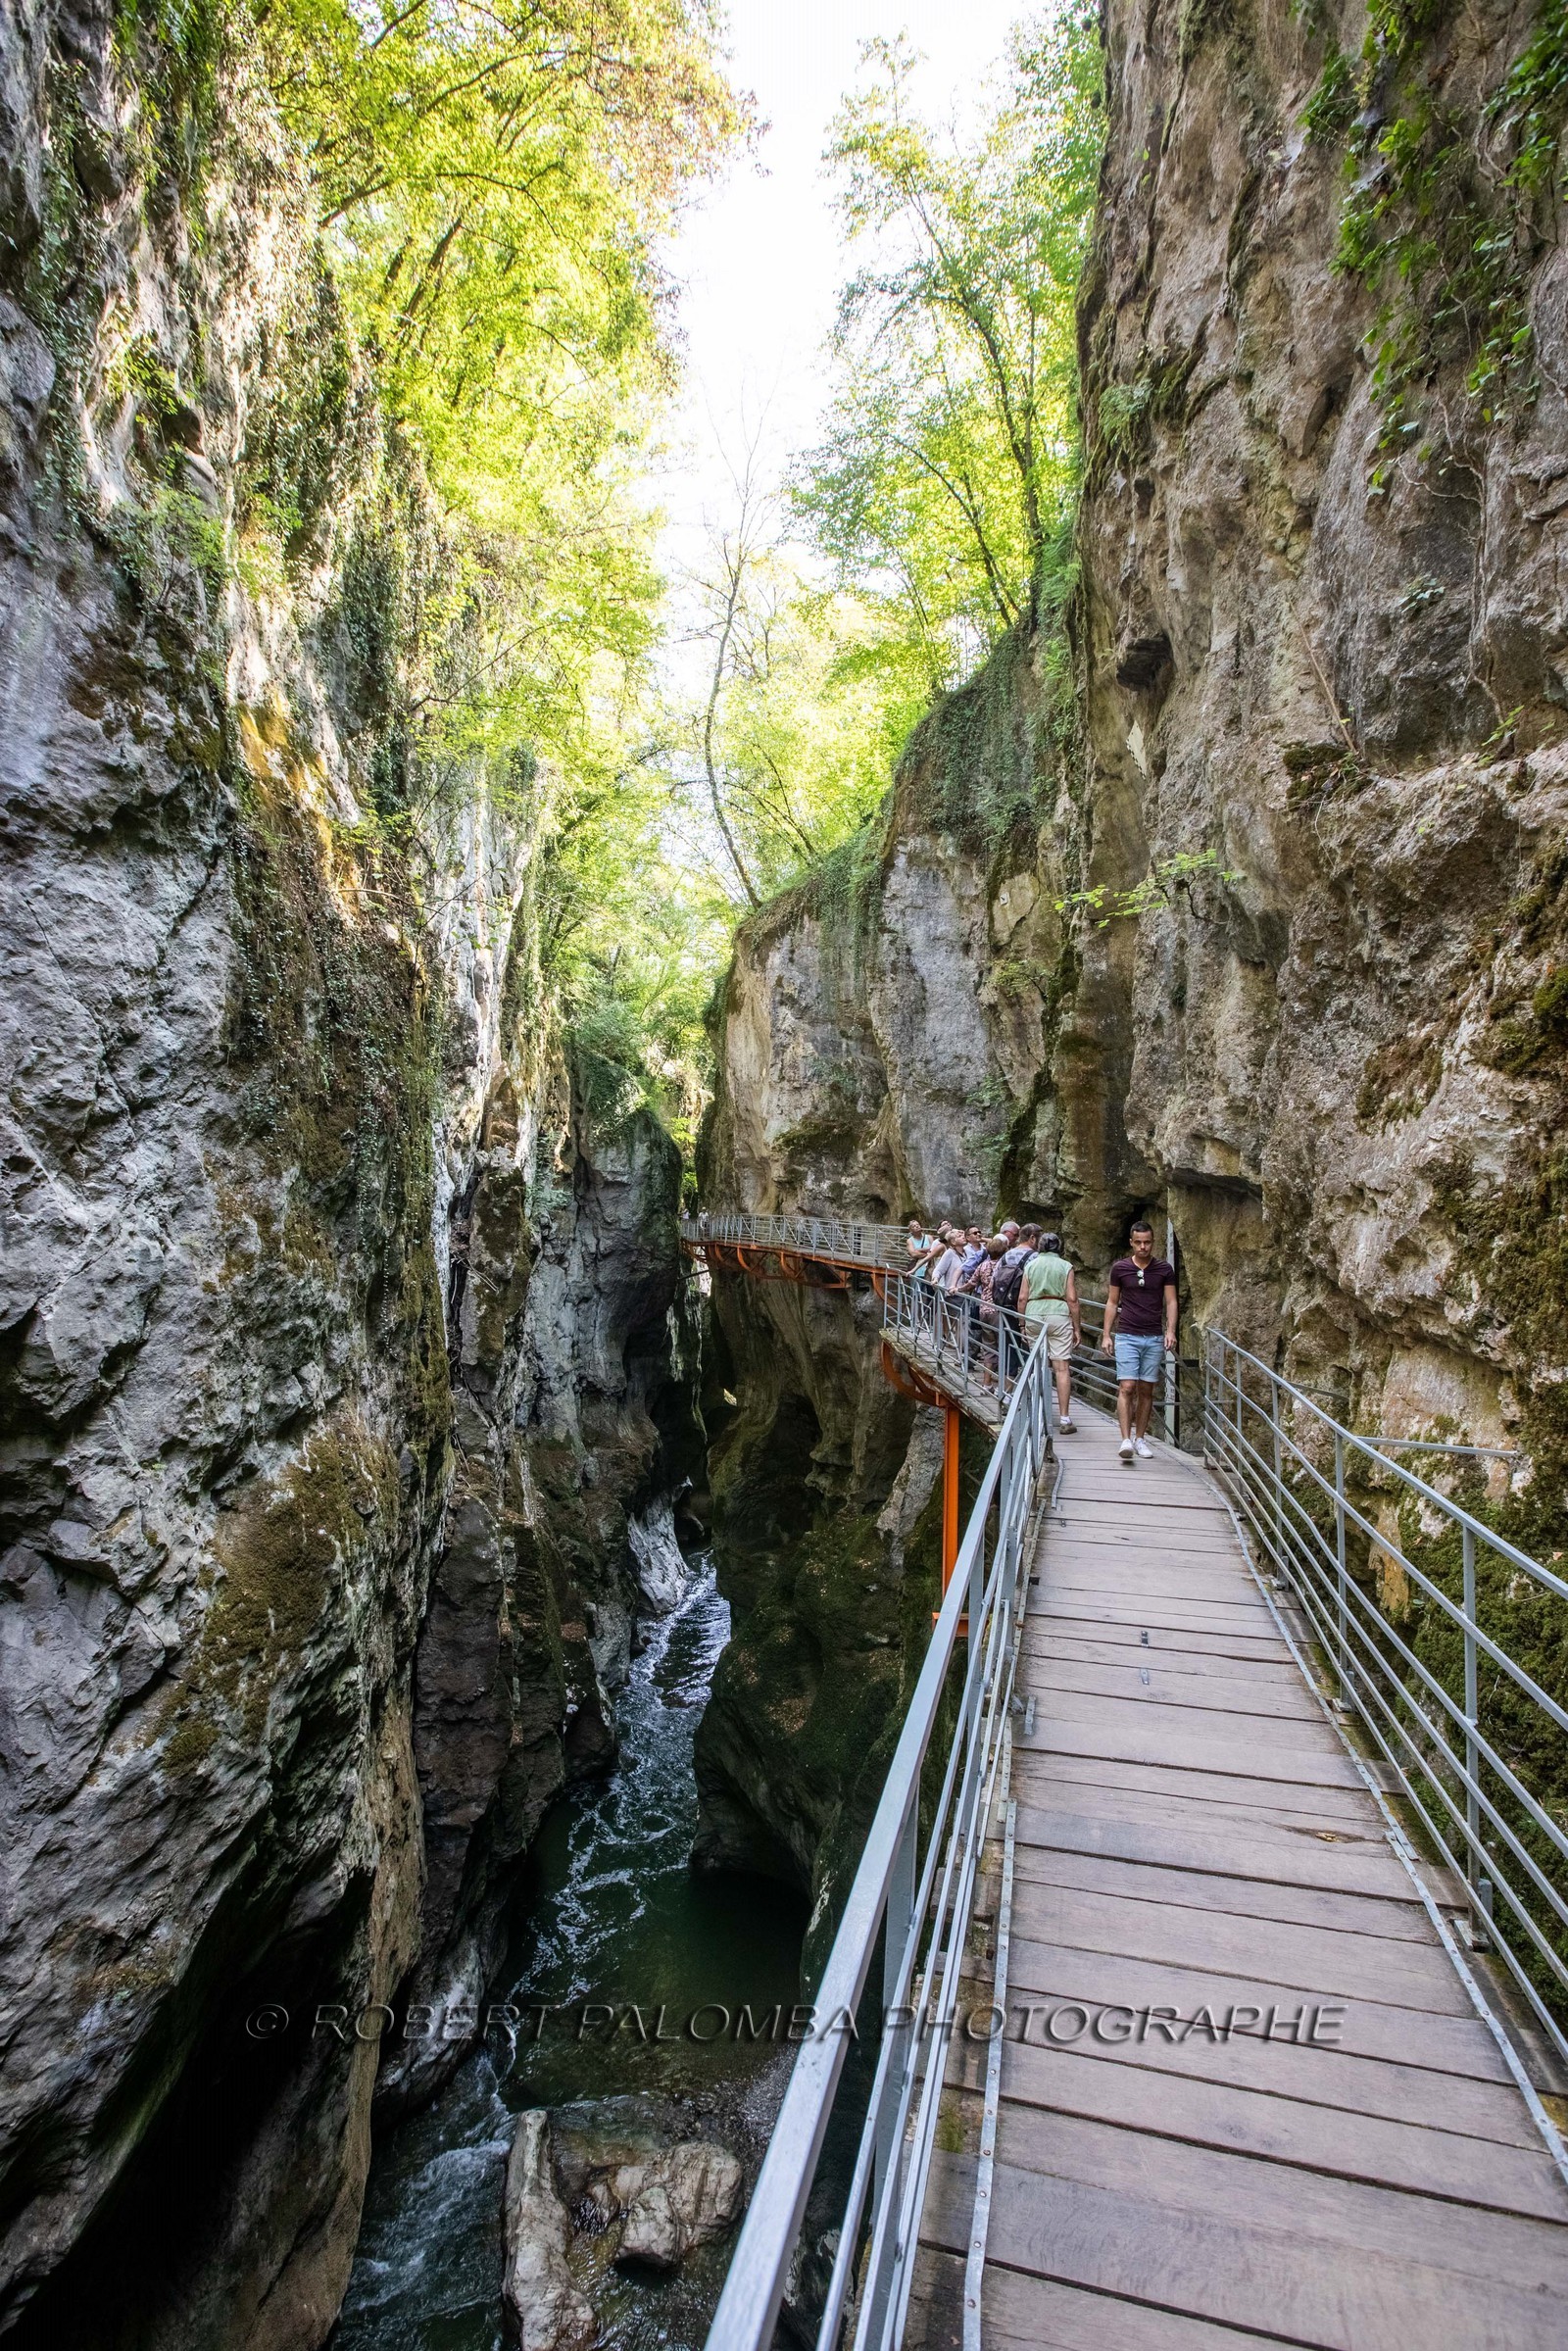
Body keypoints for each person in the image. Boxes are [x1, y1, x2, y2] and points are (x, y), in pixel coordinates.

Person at [1101, 1217, 1177, 1463]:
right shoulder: (1120, 1269)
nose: (1143, 1247)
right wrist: (1106, 1334)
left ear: (1152, 1243)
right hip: (1127, 1335)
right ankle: (1125, 1439)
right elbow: (1112, 1302)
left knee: (1146, 1389)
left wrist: (1171, 1330)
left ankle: (1140, 1438)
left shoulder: (1164, 1270)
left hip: (1153, 1336)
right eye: (1139, 1243)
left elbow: (1172, 1301)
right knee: (1127, 1387)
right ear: (1131, 1243)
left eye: (1148, 1242)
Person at [1019, 1232, 1080, 1432]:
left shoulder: (1031, 1265)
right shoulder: (1065, 1266)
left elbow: (1022, 1298)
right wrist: (1077, 1327)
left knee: (1038, 1364)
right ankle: (1064, 1419)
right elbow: (1071, 1298)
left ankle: (1036, 1414)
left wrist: (1021, 1323)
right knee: (1061, 1367)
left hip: (1034, 1313)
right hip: (1059, 1314)